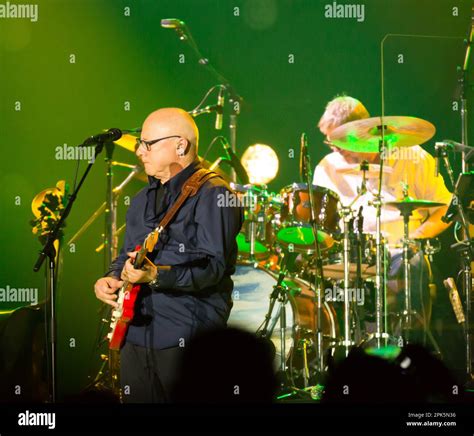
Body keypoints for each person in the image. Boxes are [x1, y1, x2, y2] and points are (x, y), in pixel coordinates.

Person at [94, 108, 243, 403]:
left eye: (149, 144)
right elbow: (128, 253)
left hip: (186, 332)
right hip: (135, 332)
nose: (139, 151)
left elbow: (212, 268)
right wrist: (111, 277)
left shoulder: (213, 193)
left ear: (180, 145)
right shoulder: (141, 199)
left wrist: (156, 275)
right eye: (141, 144)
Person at [312, 95, 453, 341]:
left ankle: (407, 356)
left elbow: (446, 209)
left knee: (415, 264)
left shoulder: (413, 157)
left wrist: (415, 240)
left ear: (360, 132)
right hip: (351, 255)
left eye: (338, 141)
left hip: (401, 252)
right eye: (329, 141)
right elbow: (322, 226)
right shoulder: (327, 168)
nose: (333, 148)